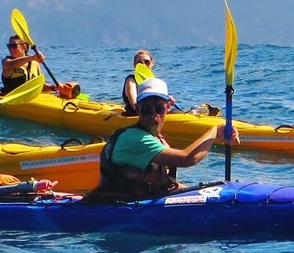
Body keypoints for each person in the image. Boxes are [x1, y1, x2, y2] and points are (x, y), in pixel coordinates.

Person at [91, 78, 236, 200]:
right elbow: (187, 159)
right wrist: (215, 130)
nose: (153, 115)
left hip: (140, 202)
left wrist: (213, 192)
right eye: (146, 109)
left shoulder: (157, 139)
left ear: (167, 108)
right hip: (116, 206)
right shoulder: (135, 138)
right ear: (137, 108)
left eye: (159, 108)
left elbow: (168, 184)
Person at [121, 49, 153, 116]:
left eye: (147, 62)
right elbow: (135, 105)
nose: (143, 65)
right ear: (134, 65)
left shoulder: (154, 81)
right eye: (139, 63)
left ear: (152, 63)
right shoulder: (131, 81)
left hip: (152, 113)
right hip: (135, 115)